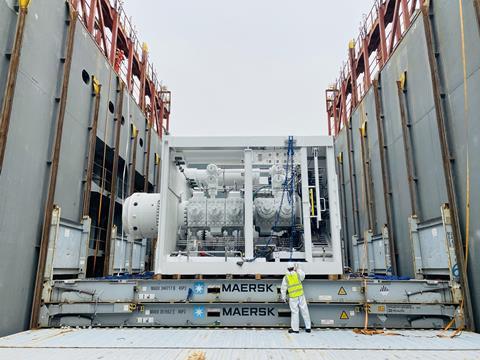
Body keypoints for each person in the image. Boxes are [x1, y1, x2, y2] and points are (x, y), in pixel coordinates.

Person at [280, 262, 311, 333]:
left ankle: (295, 329)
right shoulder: (297, 274)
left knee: (295, 312)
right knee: (305, 310)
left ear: (287, 268)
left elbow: (283, 288)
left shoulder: (286, 277)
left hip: (293, 297)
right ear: (293, 268)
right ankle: (308, 327)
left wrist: (284, 297)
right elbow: (303, 276)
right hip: (301, 295)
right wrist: (298, 269)